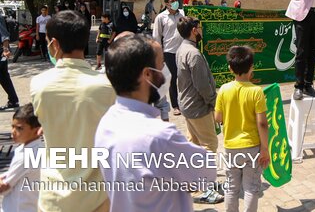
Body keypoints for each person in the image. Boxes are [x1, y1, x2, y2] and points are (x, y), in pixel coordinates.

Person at [95, 34, 217, 211]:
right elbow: (205, 175)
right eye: (161, 65)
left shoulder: (106, 123)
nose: (165, 72)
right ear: (147, 74)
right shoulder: (160, 136)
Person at [30, 10, 115, 212]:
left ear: (54, 44)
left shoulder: (39, 85)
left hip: (53, 196)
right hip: (97, 195)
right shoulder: (106, 86)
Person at [214, 46, 270, 212]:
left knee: (231, 187)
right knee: (251, 188)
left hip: (231, 148)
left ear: (230, 68)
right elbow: (262, 123)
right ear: (252, 66)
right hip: (252, 147)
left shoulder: (223, 89)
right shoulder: (256, 92)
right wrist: (265, 148)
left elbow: (218, 118)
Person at [176, 17, 221, 174]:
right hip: (198, 107)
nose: (201, 30)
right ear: (194, 31)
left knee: (194, 144)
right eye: (199, 28)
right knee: (209, 144)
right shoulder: (193, 54)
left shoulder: (182, 49)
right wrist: (214, 102)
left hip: (187, 105)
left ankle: (191, 180)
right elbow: (202, 85)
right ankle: (206, 186)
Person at [0, 103, 44, 212]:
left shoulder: (25, 156)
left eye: (20, 128)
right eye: (12, 127)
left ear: (36, 130)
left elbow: (5, 187)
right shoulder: (37, 149)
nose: (13, 132)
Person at [153, 0, 184, 116]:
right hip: (169, 52)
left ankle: (184, 103)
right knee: (173, 79)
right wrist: (159, 55)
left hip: (182, 51)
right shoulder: (161, 17)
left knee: (184, 78)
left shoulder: (182, 14)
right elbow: (156, 37)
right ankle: (175, 105)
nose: (175, 2)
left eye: (176, 0)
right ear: (167, 3)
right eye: (173, 1)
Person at [0, 17, 19, 110]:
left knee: (4, 77)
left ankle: (13, 100)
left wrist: (6, 49)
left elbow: (4, 34)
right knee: (4, 78)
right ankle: (13, 100)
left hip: (1, 52)